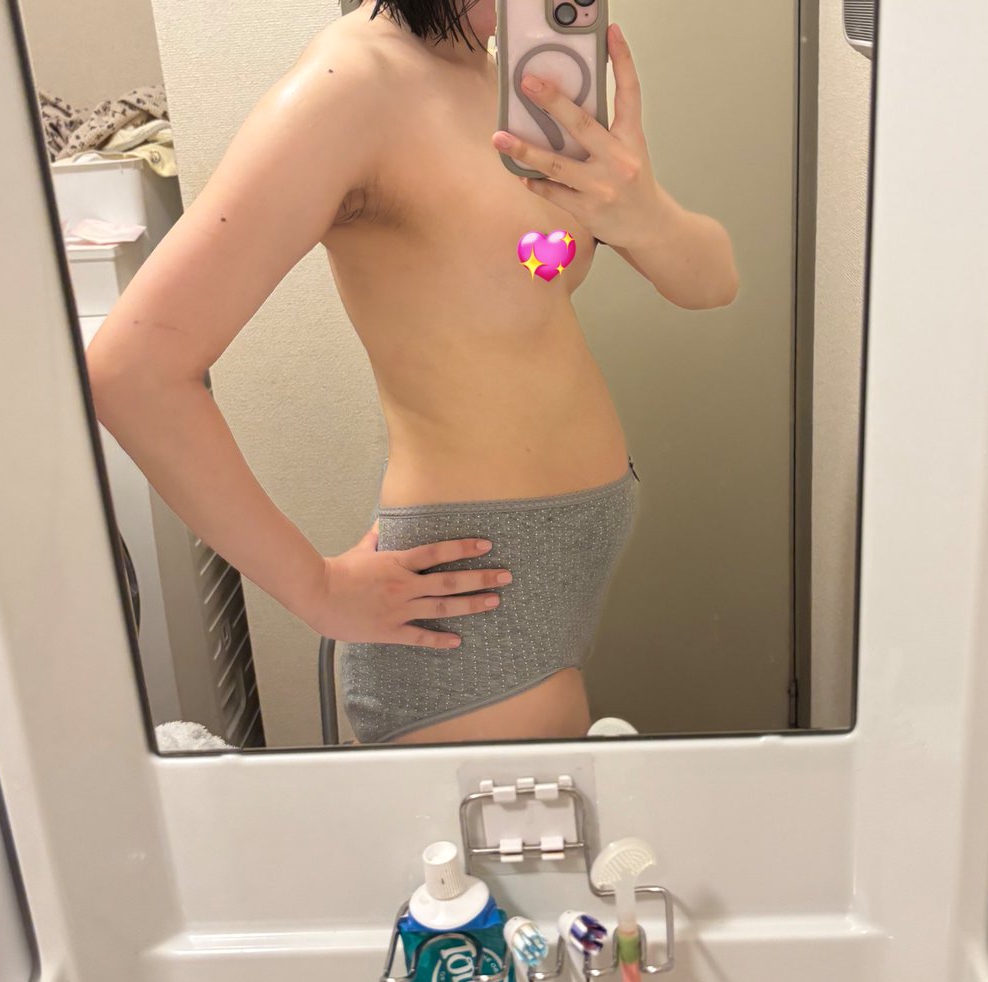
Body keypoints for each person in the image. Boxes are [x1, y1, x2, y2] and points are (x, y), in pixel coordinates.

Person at [87, 0, 738, 745]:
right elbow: (132, 370)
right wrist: (316, 589)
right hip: (473, 608)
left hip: (544, 583)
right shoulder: (350, 87)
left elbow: (712, 283)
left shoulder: (506, 80)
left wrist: (642, 212)